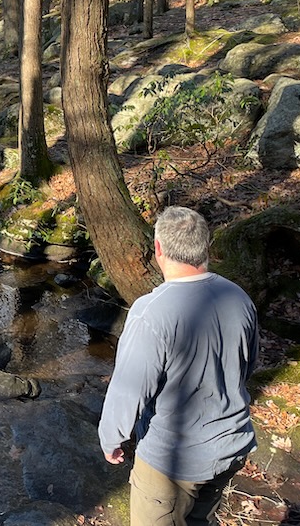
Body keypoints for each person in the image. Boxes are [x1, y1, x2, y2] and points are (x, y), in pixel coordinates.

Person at [98, 206, 258, 526]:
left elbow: (129, 389)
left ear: (158, 248)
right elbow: (247, 366)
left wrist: (111, 438)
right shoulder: (238, 297)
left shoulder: (150, 312)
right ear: (206, 246)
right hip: (231, 445)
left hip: (173, 462)